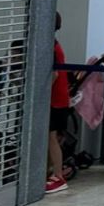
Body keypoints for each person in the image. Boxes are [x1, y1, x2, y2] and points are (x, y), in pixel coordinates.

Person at [46, 12, 70, 194]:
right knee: (51, 137)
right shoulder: (54, 44)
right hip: (59, 98)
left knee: (51, 138)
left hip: (55, 99)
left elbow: (53, 75)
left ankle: (58, 176)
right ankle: (53, 171)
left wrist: (41, 93)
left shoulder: (50, 47)